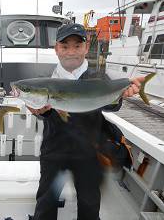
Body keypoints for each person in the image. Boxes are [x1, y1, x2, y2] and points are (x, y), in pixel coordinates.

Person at [29, 23, 145, 220]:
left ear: (86, 46)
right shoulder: (45, 80)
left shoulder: (98, 78)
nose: (71, 52)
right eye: (65, 46)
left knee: (89, 204)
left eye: (77, 46)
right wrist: (38, 111)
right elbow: (43, 112)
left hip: (89, 151)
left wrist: (123, 93)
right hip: (54, 149)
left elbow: (111, 106)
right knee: (46, 202)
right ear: (56, 48)